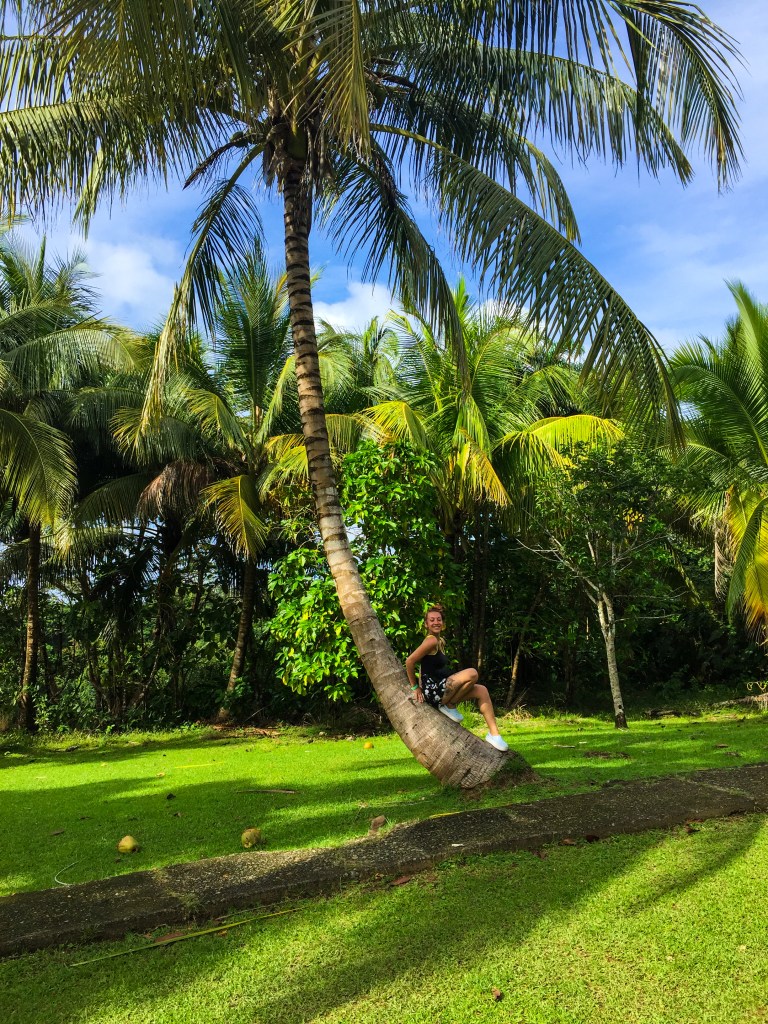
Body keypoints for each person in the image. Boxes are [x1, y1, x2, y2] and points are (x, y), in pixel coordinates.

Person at [405, 605, 509, 752]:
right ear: (426, 624)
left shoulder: (440, 641)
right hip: (435, 691)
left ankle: (494, 735)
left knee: (482, 690)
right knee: (472, 673)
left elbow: (424, 665)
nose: (436, 622)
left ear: (443, 622)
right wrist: (416, 687)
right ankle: (450, 704)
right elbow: (410, 661)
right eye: (432, 620)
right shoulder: (431, 641)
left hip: (442, 688)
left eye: (439, 619)